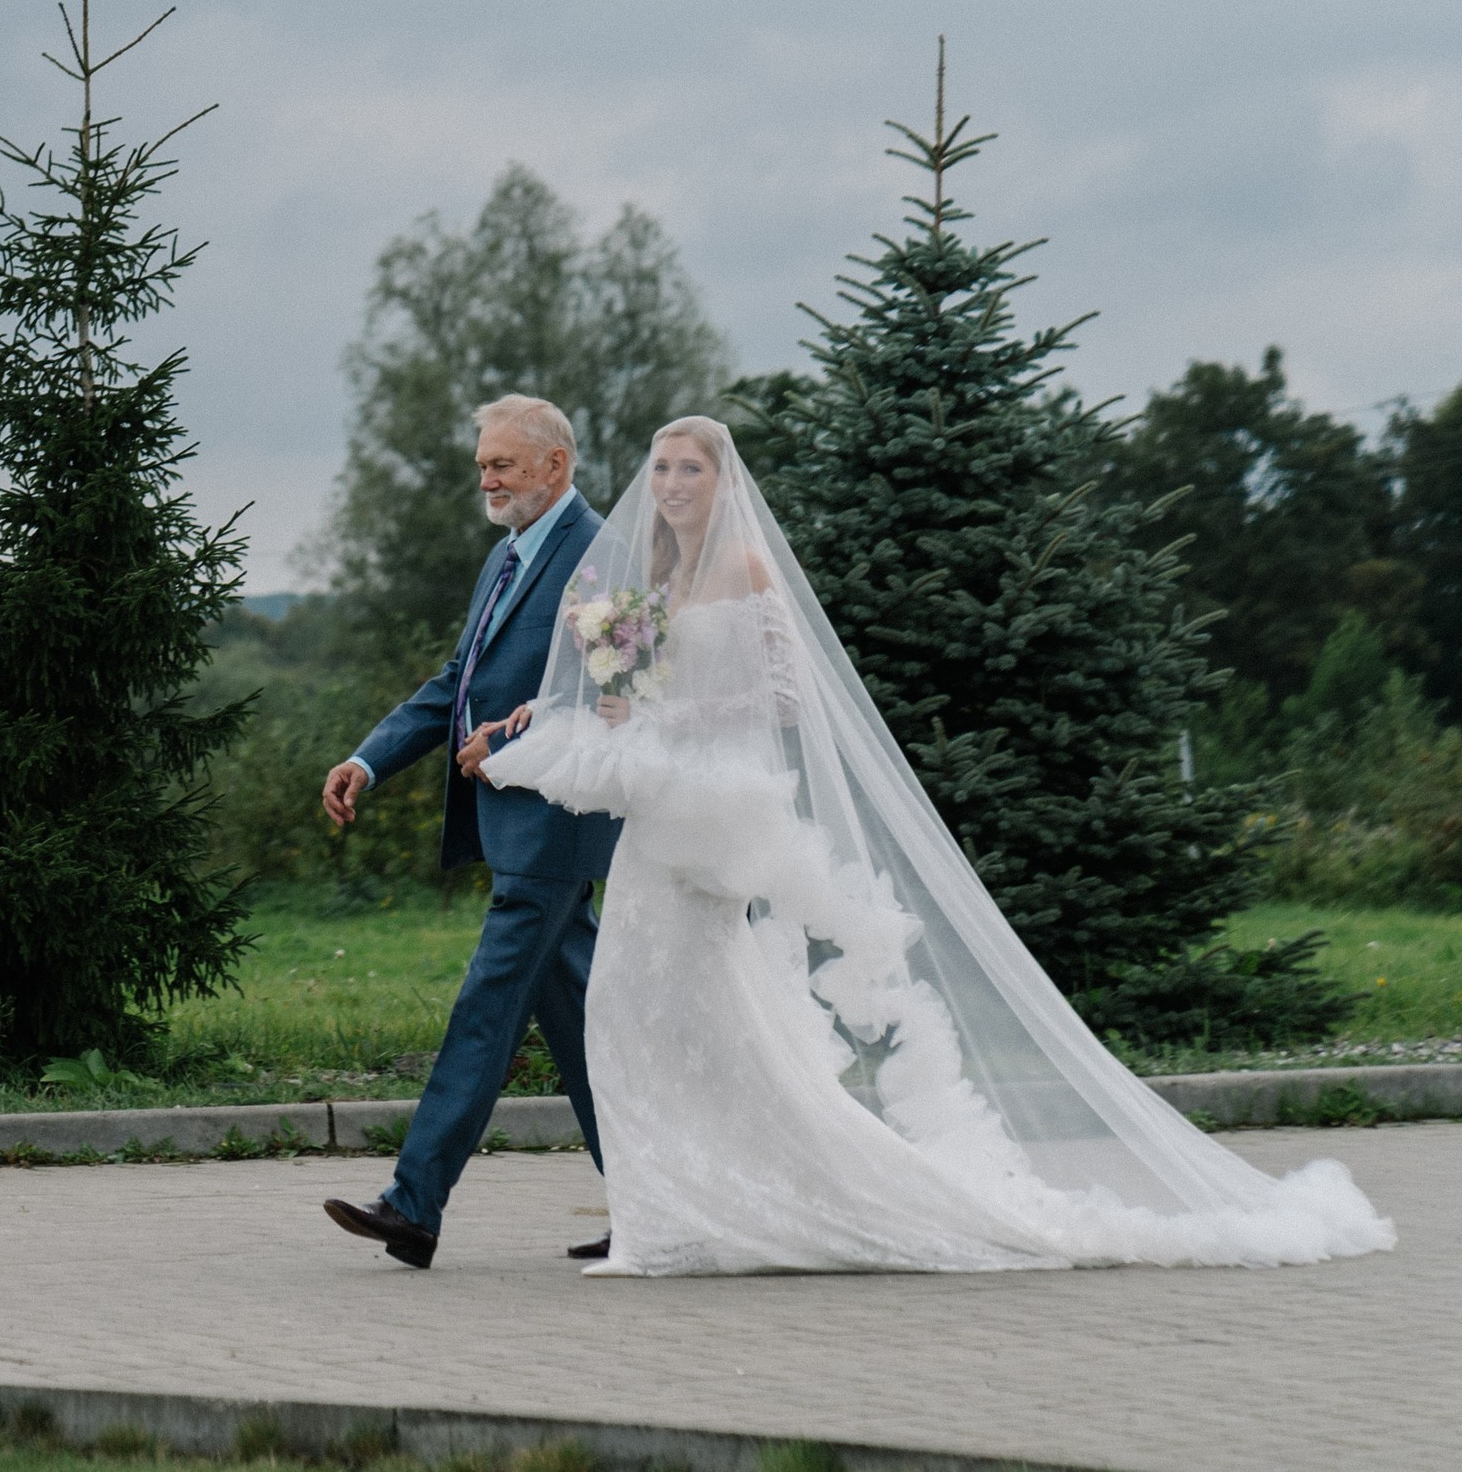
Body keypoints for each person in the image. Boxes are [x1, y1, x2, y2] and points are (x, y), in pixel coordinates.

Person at [475, 415, 1395, 1274]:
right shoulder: (652, 583)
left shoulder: (748, 567)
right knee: (642, 1012)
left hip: (712, 827)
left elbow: (783, 699)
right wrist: (558, 716)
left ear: (723, 483)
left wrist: (671, 713)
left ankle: (723, 1209)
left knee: (668, 1011)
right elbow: (617, 695)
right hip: (658, 828)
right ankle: (676, 1211)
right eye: (662, 468)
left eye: (691, 468)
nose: (672, 483)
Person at [317, 394, 623, 1269]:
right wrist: (369, 759)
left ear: (555, 466)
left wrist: (512, 740)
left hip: (557, 826)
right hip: (517, 828)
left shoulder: (601, 554)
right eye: (483, 464)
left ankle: (415, 1203)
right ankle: (658, 1203)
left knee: (484, 1011)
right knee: (584, 1034)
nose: (486, 479)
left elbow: (608, 693)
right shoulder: (506, 554)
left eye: (502, 465)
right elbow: (459, 679)